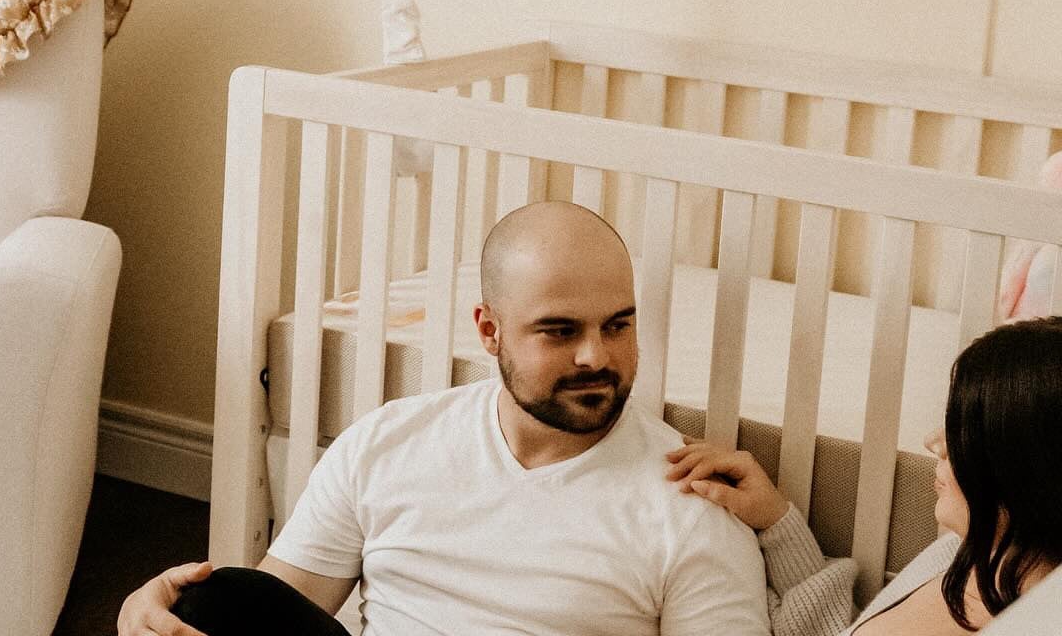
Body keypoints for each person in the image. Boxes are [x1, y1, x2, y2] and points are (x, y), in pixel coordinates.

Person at [118, 201, 770, 635]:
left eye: (617, 325)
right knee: (220, 595)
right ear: (489, 330)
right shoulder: (387, 443)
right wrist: (151, 617)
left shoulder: (692, 502)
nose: (596, 355)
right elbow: (275, 606)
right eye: (559, 330)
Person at [664, 316, 1062, 634]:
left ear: (1021, 466)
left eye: (961, 430)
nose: (934, 441)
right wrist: (777, 523)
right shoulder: (965, 554)